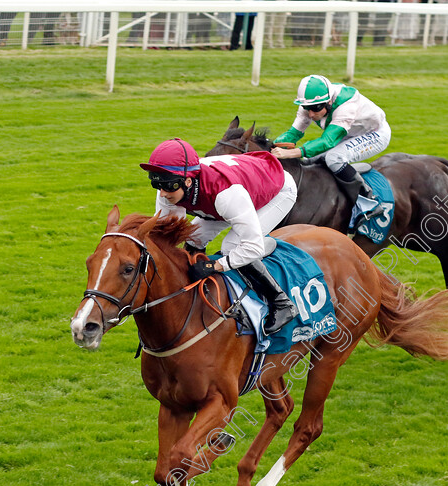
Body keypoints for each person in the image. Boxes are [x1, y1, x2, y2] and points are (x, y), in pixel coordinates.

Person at [141, 138, 299, 335]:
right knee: (193, 239)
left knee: (232, 246)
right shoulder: (171, 188)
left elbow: (252, 247)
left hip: (276, 191)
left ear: (188, 181)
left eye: (168, 186)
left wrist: (214, 266)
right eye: (157, 185)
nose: (163, 193)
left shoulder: (225, 195)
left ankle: (282, 303)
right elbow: (167, 238)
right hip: (229, 193)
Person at [271, 74, 391, 220]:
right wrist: (270, 145)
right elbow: (294, 134)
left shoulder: (346, 105)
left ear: (328, 102)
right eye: (307, 108)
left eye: (315, 109)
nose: (311, 114)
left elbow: (328, 141)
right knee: (312, 159)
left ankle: (368, 201)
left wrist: (293, 153)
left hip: (375, 134)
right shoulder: (311, 102)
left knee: (334, 158)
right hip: (348, 132)